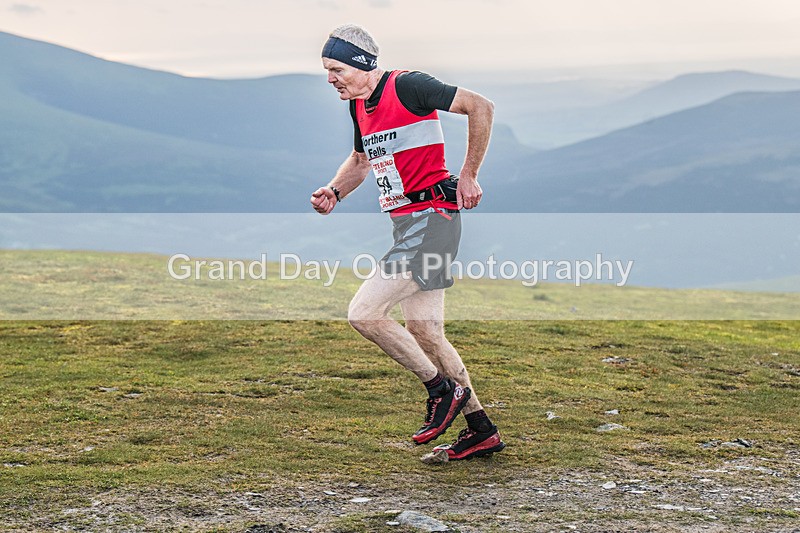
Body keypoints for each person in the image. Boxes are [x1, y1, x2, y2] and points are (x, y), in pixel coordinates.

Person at [310, 24, 504, 461]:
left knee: (364, 313)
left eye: (336, 68)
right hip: (409, 224)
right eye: (326, 70)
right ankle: (480, 429)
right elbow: (362, 160)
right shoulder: (360, 105)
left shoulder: (409, 86)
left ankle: (440, 390)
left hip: (432, 219)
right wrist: (335, 191)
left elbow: (480, 106)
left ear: (361, 65)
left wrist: (469, 173)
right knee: (425, 332)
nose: (330, 79)